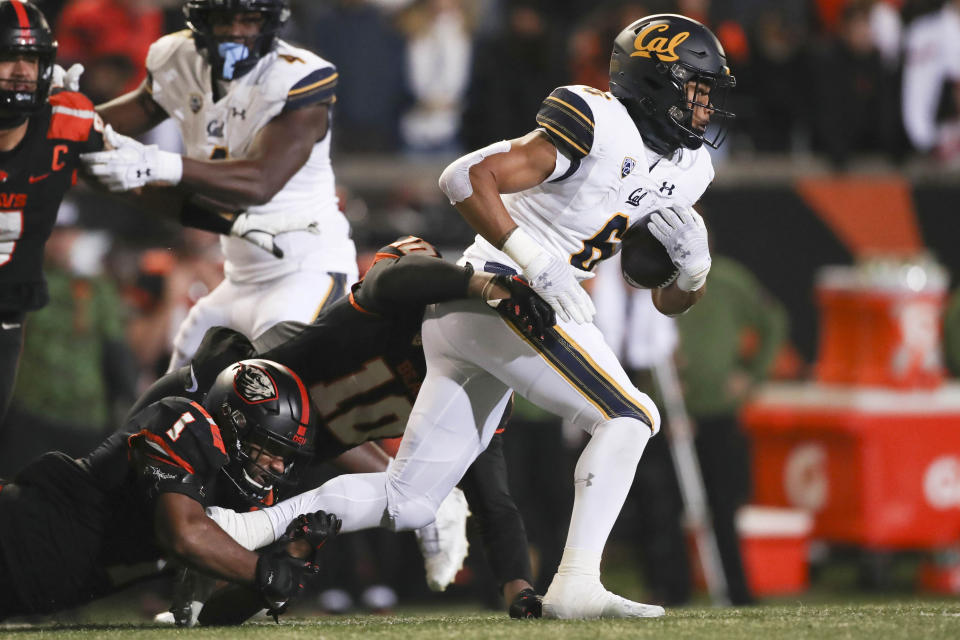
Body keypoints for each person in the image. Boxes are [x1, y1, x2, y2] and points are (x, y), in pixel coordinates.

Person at [207, 13, 736, 619]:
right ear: (657, 82)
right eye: (698, 89)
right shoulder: (600, 123)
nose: (705, 106)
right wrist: (535, 259)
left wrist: (692, 274)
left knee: (410, 500)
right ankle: (575, 583)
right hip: (500, 293)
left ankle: (246, 528)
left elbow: (665, 302)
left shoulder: (690, 170)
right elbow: (464, 177)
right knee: (632, 416)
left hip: (506, 312)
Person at [131, 235, 552, 623]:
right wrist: (480, 285)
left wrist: (523, 593)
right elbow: (396, 271)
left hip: (293, 457)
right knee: (137, 491)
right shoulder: (410, 301)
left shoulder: (478, 392)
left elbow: (495, 505)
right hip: (239, 397)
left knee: (260, 579)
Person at [82, 0, 358, 371]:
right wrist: (57, 116)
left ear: (271, 21)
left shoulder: (297, 77)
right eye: (224, 18)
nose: (236, 31)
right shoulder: (179, 58)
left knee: (278, 408)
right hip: (237, 279)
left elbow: (260, 182)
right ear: (201, 19)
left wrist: (158, 164)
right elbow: (103, 125)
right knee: (163, 411)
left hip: (304, 273)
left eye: (250, 18)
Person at [0, 357, 339, 621]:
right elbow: (183, 534)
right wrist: (265, 571)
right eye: (270, 448)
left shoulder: (240, 495)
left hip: (23, 589)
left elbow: (213, 612)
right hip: (15, 534)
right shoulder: (187, 422)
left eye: (288, 456)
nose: (279, 466)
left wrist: (286, 565)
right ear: (235, 423)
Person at [0, 0, 105, 425]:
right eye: (8, 56)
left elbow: (137, 177)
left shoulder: (66, 123)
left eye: (32, 58)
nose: (22, 70)